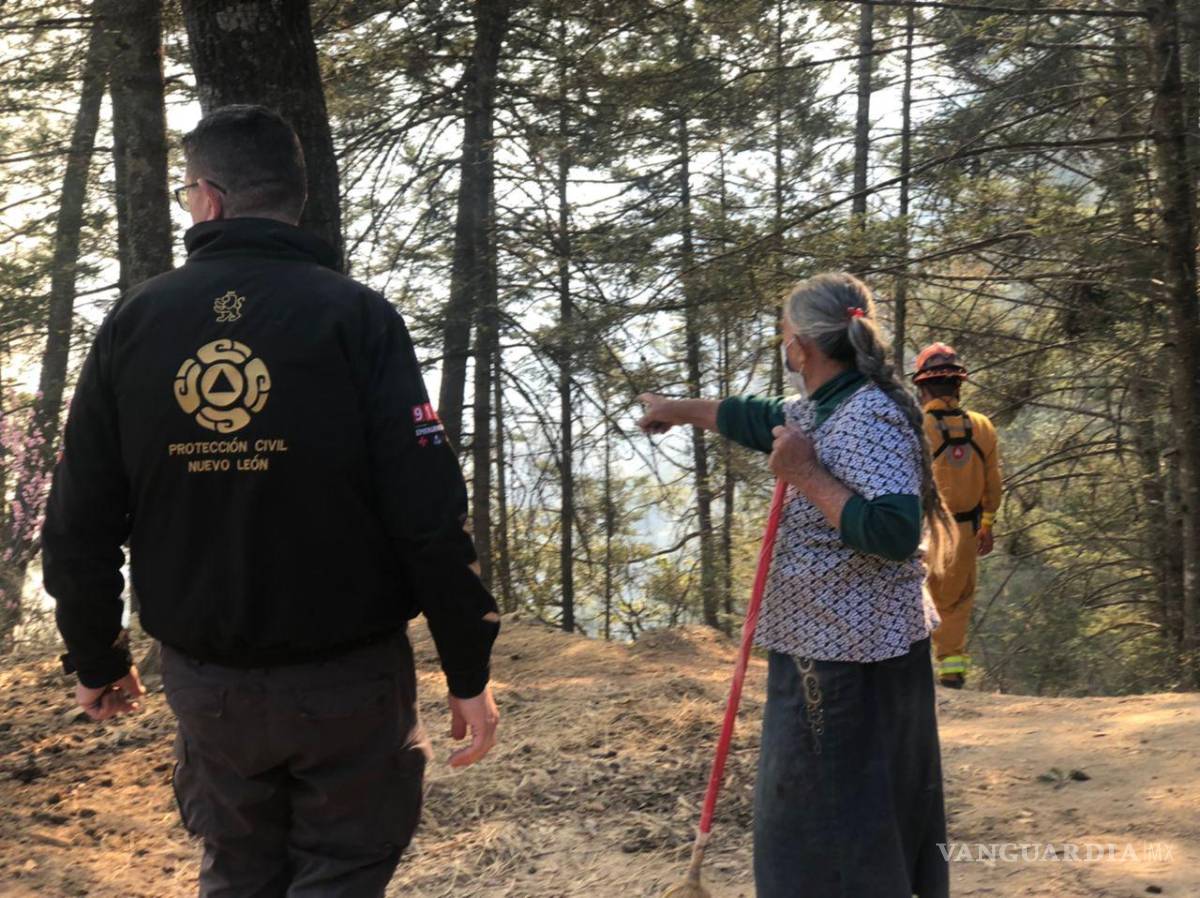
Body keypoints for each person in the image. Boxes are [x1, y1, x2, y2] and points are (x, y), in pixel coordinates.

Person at [42, 105, 501, 898]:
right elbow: (428, 512)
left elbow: (79, 517)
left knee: (237, 871)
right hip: (350, 683)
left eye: (186, 193)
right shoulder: (357, 318)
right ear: (295, 197)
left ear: (209, 198)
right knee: (342, 872)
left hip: (209, 687)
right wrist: (468, 665)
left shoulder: (134, 324)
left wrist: (97, 657)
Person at [637, 272, 953, 898]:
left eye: (784, 334)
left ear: (802, 347)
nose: (782, 344)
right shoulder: (829, 402)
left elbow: (894, 531)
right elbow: (760, 419)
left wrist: (806, 474)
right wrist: (675, 409)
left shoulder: (865, 416)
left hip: (849, 667)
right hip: (835, 652)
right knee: (844, 815)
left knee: (829, 823)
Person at [912, 342, 1002, 689]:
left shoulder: (917, 425)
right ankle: (951, 674)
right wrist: (987, 525)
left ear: (922, 387)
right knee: (956, 601)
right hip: (965, 531)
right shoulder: (982, 426)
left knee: (911, 596)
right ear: (958, 386)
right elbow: (993, 483)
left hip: (921, 530)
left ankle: (908, 671)